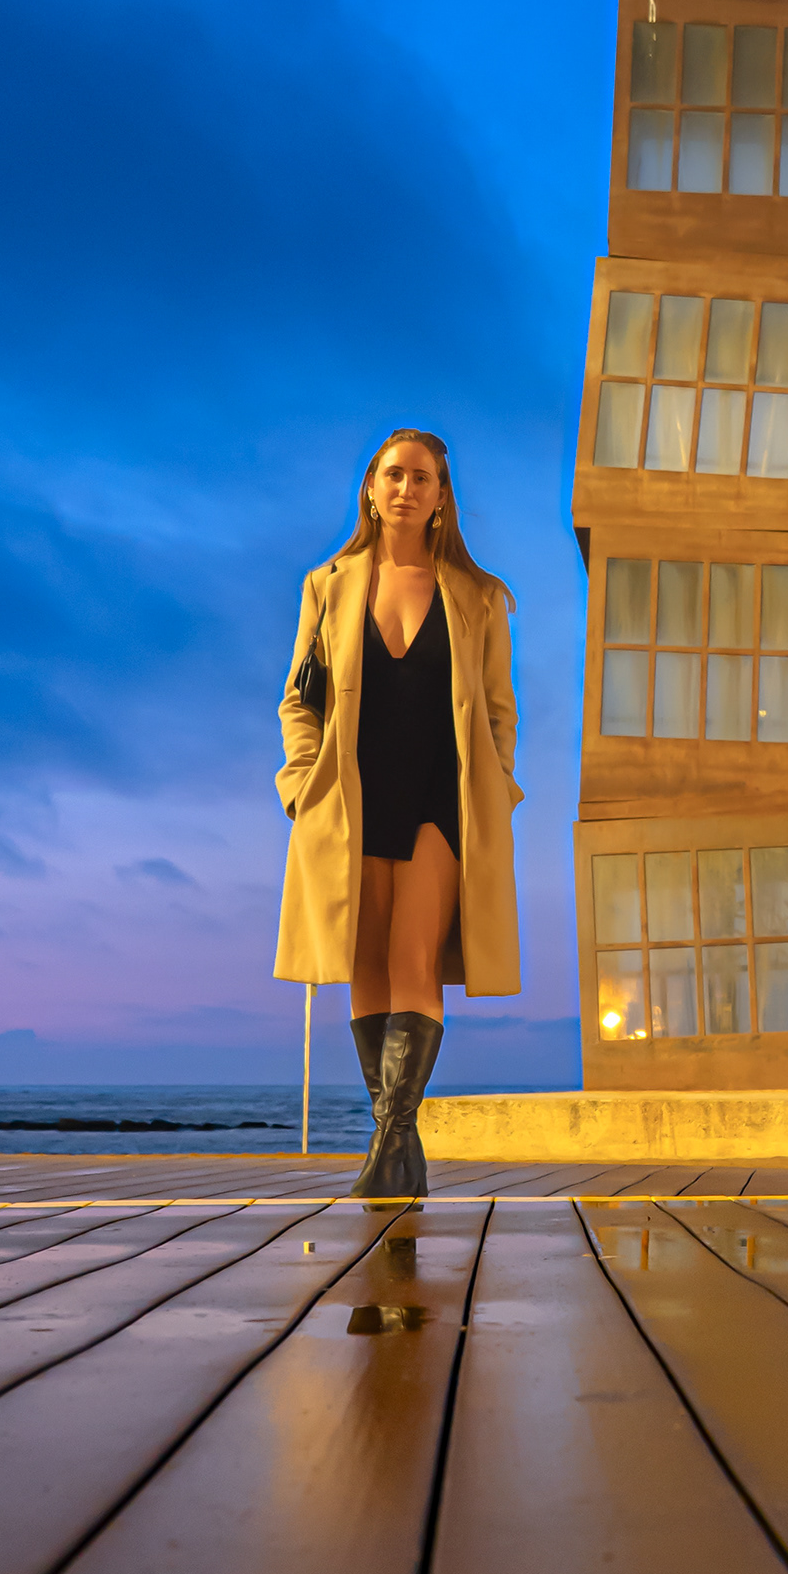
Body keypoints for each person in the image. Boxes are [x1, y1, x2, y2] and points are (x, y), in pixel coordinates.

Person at [275, 429, 521, 1195]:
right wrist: (299, 781)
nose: (406, 488)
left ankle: (389, 1142)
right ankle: (397, 1147)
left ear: (442, 495)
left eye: (421, 478)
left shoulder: (481, 597)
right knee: (368, 965)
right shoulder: (330, 584)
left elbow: (500, 710)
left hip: (441, 799)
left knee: (415, 959)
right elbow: (300, 700)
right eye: (393, 476)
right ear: (371, 491)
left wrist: (499, 786)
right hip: (351, 796)